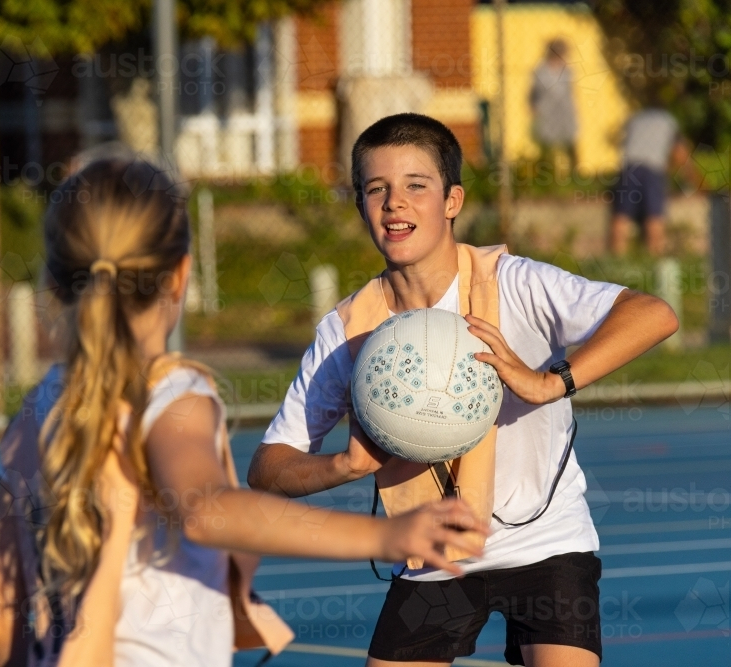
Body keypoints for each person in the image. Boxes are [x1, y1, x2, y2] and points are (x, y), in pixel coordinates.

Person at [0, 158, 489, 667]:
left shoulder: (35, 412)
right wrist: (384, 535)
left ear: (59, 282)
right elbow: (203, 510)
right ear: (180, 275)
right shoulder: (173, 394)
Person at [247, 113, 679, 667]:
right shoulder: (350, 329)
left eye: (415, 186)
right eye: (376, 189)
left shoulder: (515, 283)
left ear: (452, 201)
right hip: (433, 556)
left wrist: (552, 381)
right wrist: (345, 467)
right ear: (360, 206)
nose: (394, 203)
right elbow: (267, 467)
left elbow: (653, 314)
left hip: (547, 544)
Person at [609, 106, 700, 256]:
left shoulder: (635, 118)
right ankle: (655, 258)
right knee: (654, 218)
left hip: (630, 168)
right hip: (653, 170)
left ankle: (616, 260)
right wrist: (694, 179)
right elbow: (680, 153)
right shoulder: (668, 121)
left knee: (621, 217)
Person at [529, 39, 578, 180]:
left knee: (570, 142)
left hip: (564, 111)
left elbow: (570, 91)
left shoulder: (567, 70)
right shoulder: (541, 71)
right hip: (547, 110)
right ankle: (546, 175)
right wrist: (533, 107)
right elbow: (534, 92)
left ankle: (574, 174)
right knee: (546, 143)